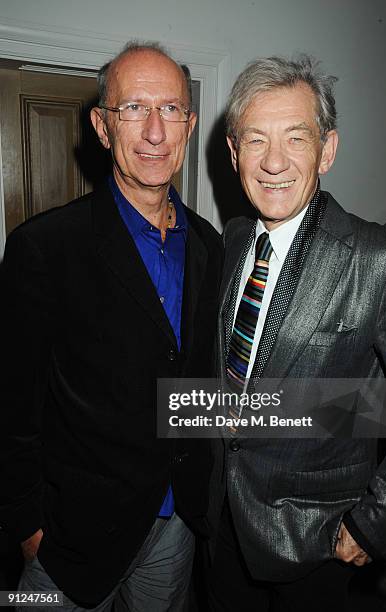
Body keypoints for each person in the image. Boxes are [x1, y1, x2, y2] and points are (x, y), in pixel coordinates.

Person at [0, 41, 222, 611]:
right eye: (133, 109)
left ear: (189, 126)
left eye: (170, 109)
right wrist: (27, 525)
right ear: (102, 127)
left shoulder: (210, 247)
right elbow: (12, 403)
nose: (154, 131)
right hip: (69, 537)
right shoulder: (43, 249)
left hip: (175, 526)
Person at [206, 54, 386, 611]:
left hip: (318, 542)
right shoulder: (229, 241)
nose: (273, 162)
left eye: (296, 138)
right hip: (221, 525)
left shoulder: (380, 260)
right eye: (255, 141)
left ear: (328, 150)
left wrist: (375, 523)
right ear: (232, 152)